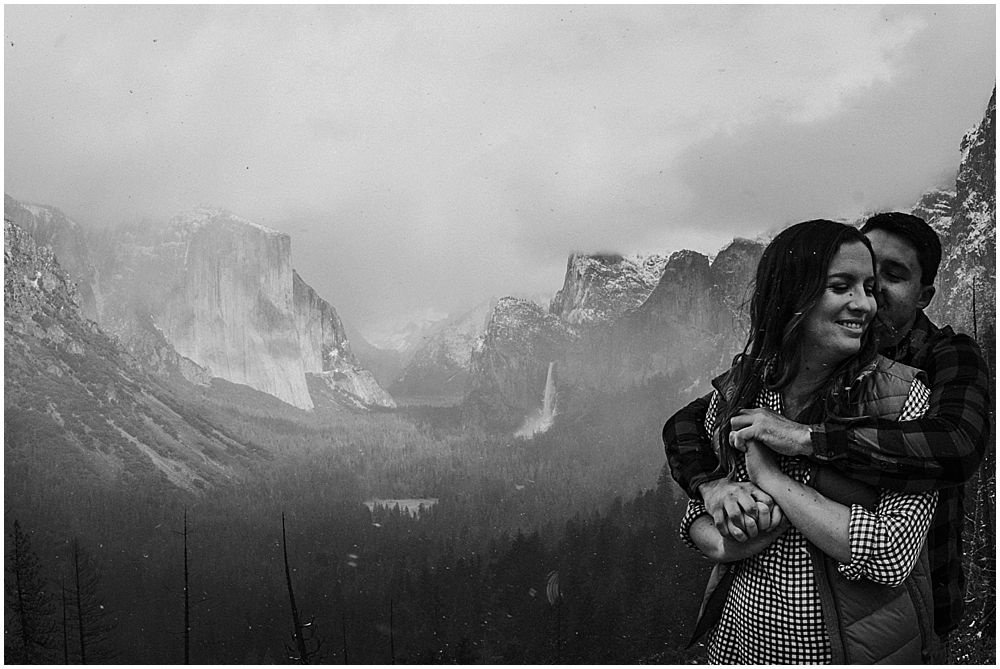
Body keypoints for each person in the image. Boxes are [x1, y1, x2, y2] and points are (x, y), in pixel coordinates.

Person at [664, 212, 991, 644]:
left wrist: (797, 449)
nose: (867, 300)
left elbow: (956, 446)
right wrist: (712, 492)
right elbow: (690, 425)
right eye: (847, 283)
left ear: (925, 294)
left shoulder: (934, 367)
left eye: (881, 282)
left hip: (898, 620)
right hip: (741, 641)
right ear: (795, 295)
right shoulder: (758, 385)